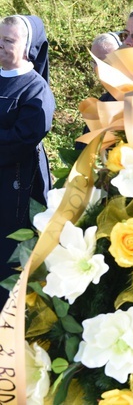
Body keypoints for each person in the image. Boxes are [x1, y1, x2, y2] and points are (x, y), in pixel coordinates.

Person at [0, 15, 55, 299]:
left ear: (27, 47)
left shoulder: (35, 89)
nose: (0, 45)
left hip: (14, 192)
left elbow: (23, 139)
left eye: (8, 40)